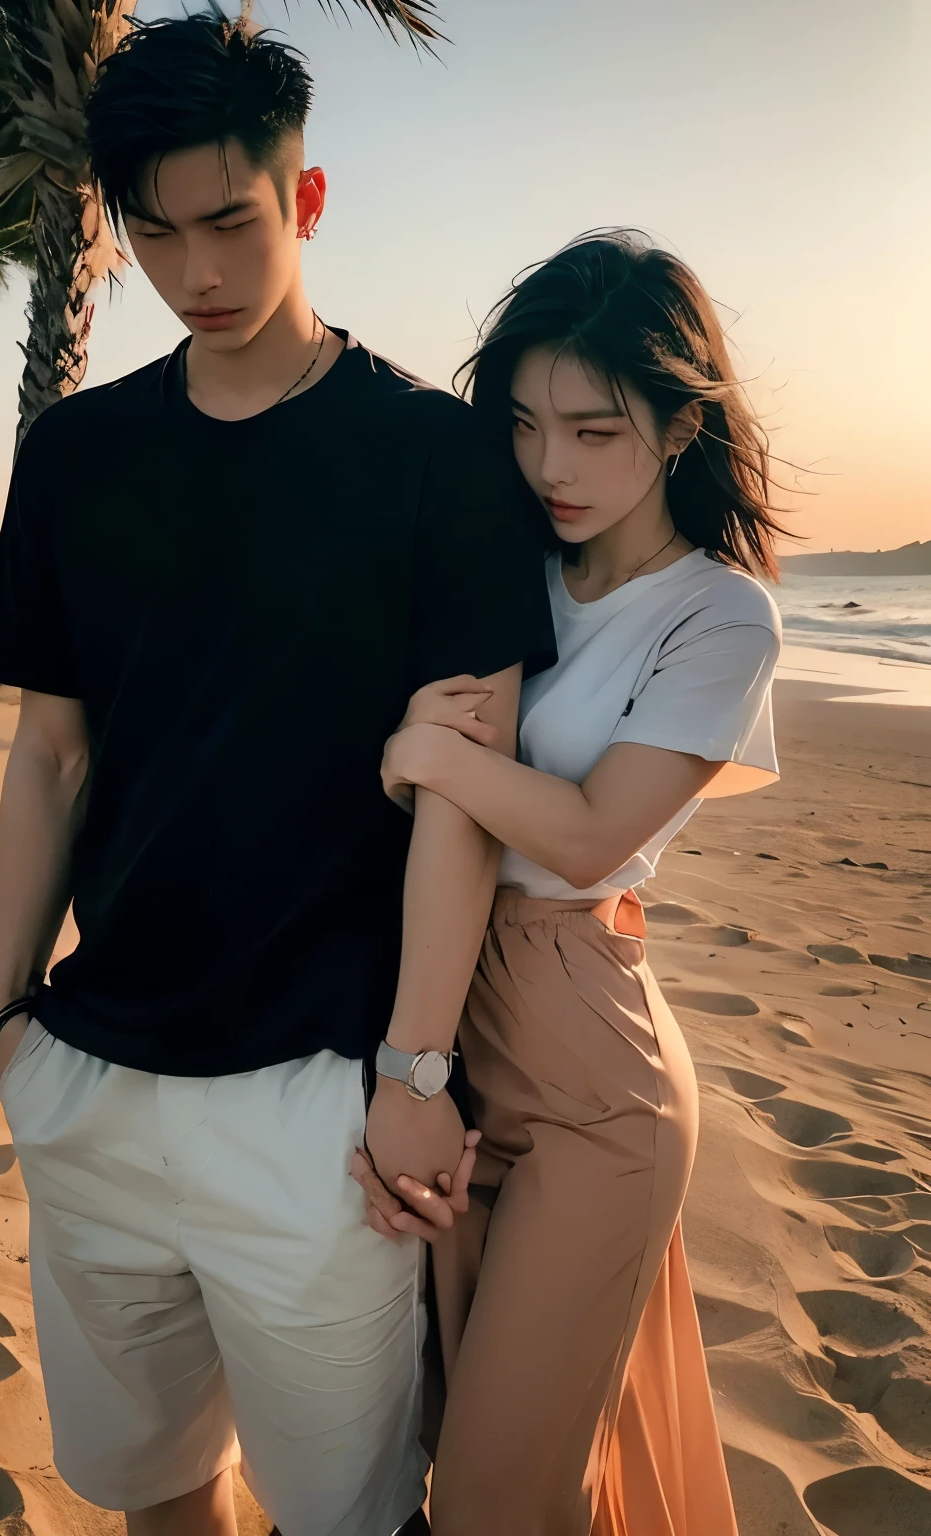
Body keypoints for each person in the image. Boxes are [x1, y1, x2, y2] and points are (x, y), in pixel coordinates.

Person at [0, 18, 556, 1536]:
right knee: (153, 1493)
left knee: (342, 1516)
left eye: (230, 221)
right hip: (87, 1077)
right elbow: (53, 749)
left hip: (316, 1109)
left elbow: (463, 800)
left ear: (305, 199)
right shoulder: (78, 454)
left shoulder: (434, 455)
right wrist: (4, 1008)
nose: (195, 273)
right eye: (152, 235)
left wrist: (416, 1073)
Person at [353, 230, 784, 1535]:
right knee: (454, 1448)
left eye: (595, 430)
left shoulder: (720, 615)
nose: (551, 466)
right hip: (457, 1032)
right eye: (530, 424)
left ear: (676, 425)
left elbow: (594, 832)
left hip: (598, 1077)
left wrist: (424, 753)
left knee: (499, 1493)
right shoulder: (511, 560)